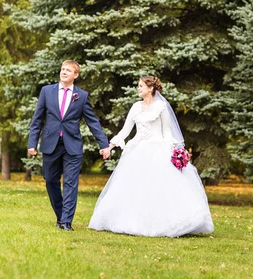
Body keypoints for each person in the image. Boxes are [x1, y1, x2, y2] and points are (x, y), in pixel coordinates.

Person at [89, 75, 214, 237]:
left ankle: (168, 222)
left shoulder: (161, 107)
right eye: (138, 85)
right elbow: (125, 131)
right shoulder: (135, 107)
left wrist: (175, 150)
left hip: (158, 149)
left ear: (151, 88)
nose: (138, 88)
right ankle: (131, 221)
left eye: (141, 85)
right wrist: (110, 146)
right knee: (134, 187)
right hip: (137, 150)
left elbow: (167, 132)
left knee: (160, 187)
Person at [28, 60, 110, 231]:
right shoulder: (46, 92)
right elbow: (37, 120)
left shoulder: (82, 96)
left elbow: (92, 121)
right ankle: (60, 215)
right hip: (51, 144)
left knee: (71, 183)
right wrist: (32, 143)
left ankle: (66, 222)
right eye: (62, 69)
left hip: (72, 145)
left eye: (68, 70)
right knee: (50, 180)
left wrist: (104, 144)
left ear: (76, 75)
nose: (64, 72)